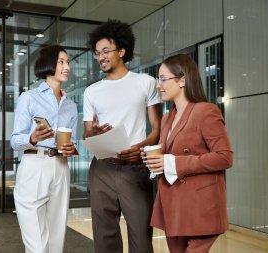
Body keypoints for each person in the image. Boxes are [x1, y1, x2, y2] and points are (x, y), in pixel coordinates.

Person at [83, 19, 161, 253]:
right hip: (102, 169)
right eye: (97, 53)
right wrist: (93, 133)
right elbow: (87, 133)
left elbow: (157, 128)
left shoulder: (145, 83)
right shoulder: (91, 91)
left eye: (106, 51)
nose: (101, 57)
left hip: (135, 168)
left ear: (122, 51)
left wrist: (139, 149)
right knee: (104, 237)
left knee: (141, 237)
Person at [142, 54, 233, 253]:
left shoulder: (205, 111)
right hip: (172, 204)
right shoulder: (167, 118)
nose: (159, 85)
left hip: (200, 205)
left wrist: (173, 163)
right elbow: (166, 159)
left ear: (182, 80)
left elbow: (224, 156)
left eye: (163, 79)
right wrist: (155, 161)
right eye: (158, 79)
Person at [11, 45, 78, 253]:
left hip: (61, 166)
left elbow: (73, 141)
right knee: (37, 244)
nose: (67, 66)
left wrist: (70, 147)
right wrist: (32, 137)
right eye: (61, 62)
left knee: (56, 237)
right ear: (49, 65)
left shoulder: (71, 106)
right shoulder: (29, 98)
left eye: (68, 62)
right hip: (35, 165)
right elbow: (15, 140)